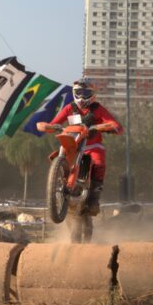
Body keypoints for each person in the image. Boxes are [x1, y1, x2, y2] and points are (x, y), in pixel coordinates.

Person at [37, 79, 122, 216]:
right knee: (56, 155)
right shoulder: (69, 108)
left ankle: (94, 199)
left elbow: (115, 124)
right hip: (72, 143)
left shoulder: (98, 109)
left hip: (92, 144)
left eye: (86, 92)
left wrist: (106, 127)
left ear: (93, 94)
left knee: (99, 162)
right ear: (74, 93)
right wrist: (49, 126)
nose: (82, 96)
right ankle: (57, 182)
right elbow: (55, 122)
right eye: (79, 92)